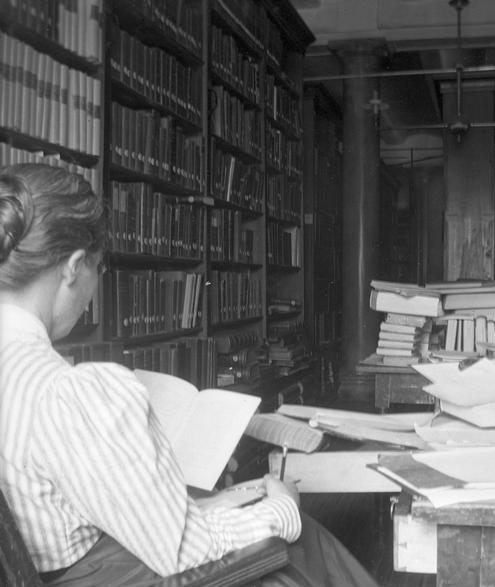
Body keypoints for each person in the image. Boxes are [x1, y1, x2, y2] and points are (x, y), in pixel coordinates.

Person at [0, 163, 380, 587]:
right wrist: (281, 511)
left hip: (86, 558)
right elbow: (181, 550)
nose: (94, 289)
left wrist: (192, 498)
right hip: (119, 573)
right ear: (73, 266)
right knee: (303, 541)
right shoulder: (67, 394)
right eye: (99, 268)